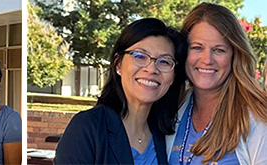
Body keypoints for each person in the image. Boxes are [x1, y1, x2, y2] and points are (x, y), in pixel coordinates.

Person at [55, 18, 187, 164]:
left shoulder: (165, 136)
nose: (151, 69)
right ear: (118, 64)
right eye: (140, 56)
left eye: (164, 61)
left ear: (173, 77)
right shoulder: (88, 127)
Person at [165, 3, 267, 164]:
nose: (207, 60)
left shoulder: (257, 117)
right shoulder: (173, 107)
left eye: (219, 50)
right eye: (197, 47)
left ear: (235, 55)